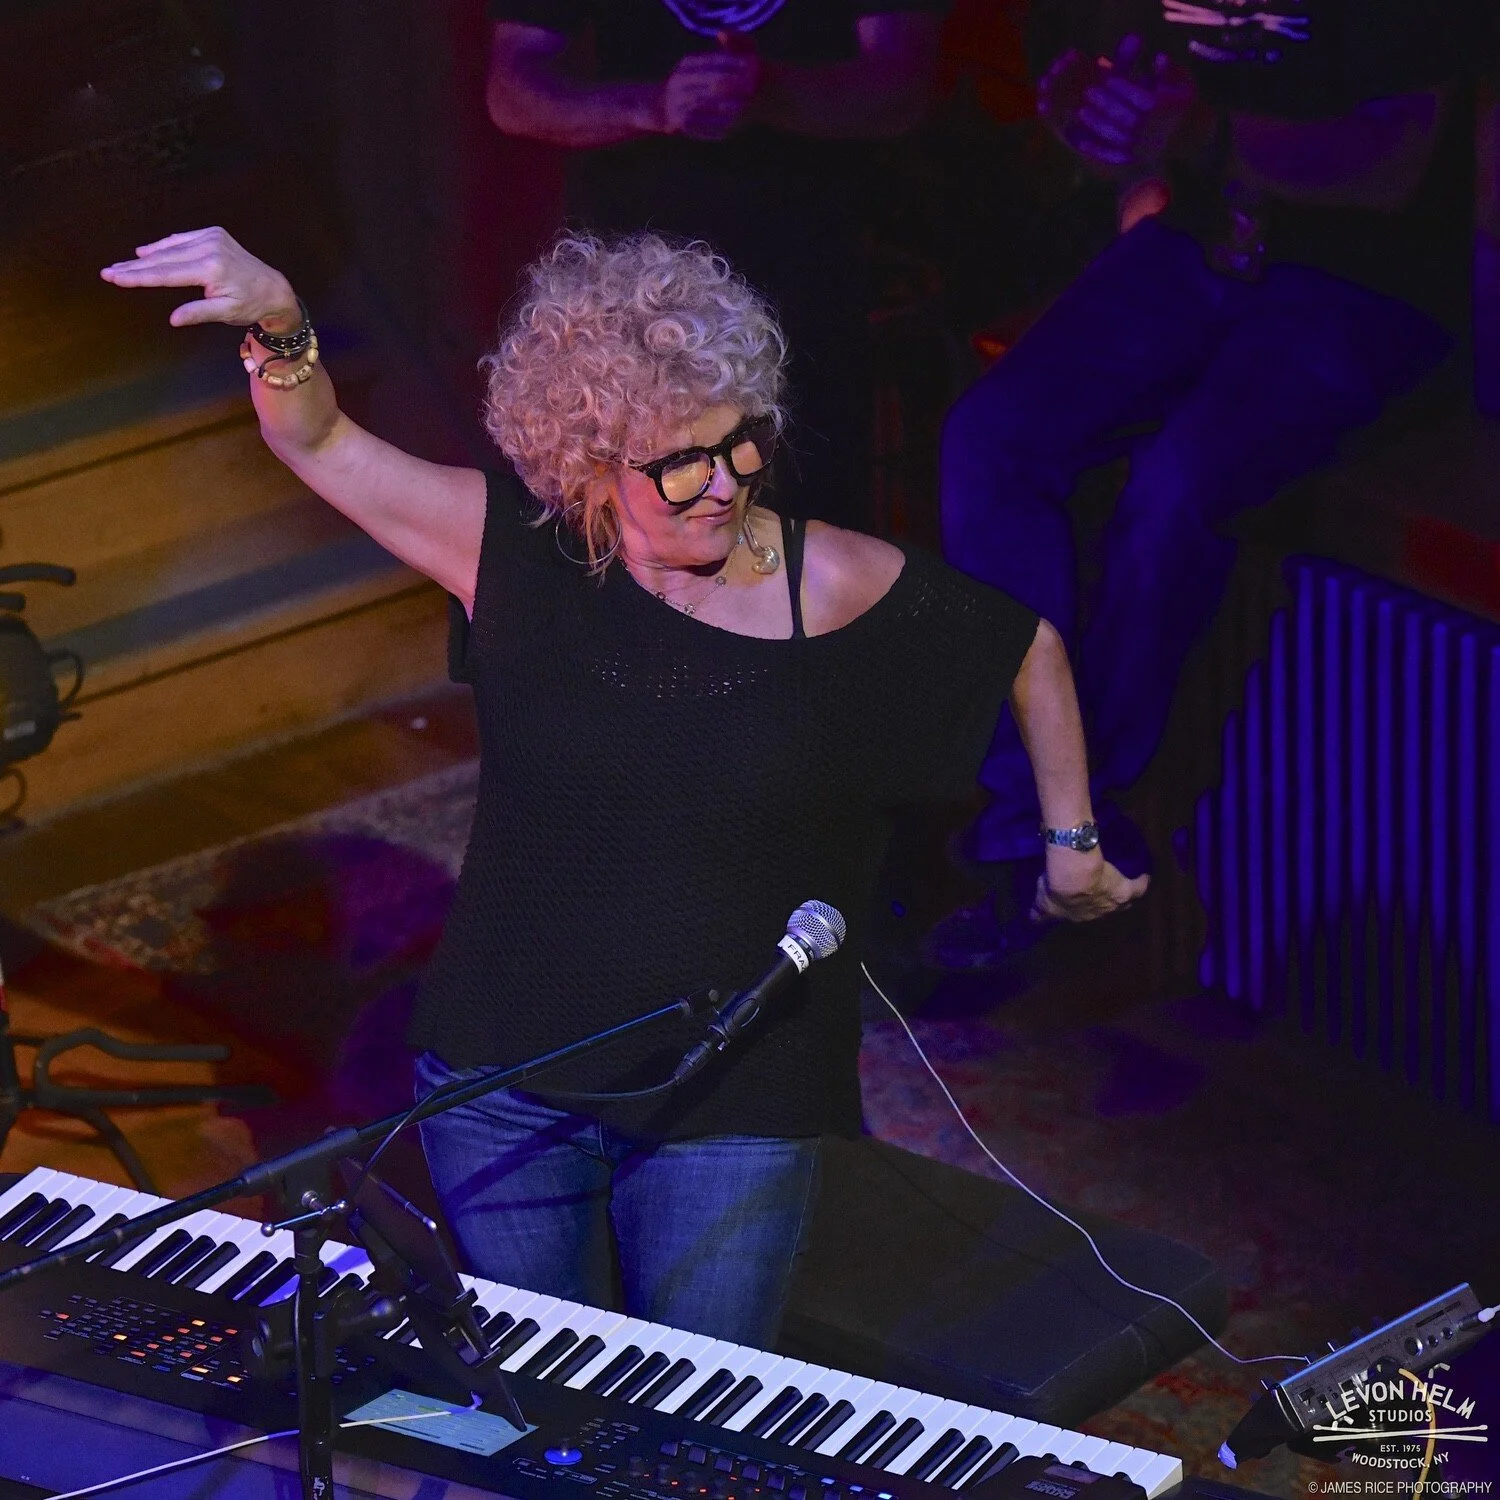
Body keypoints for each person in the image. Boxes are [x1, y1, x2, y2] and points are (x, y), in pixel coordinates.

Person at [101, 226, 1145, 1345]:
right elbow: (316, 438)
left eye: (740, 444)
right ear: (590, 458)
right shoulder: (508, 556)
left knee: (688, 1407)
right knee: (542, 1389)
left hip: (738, 1099)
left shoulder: (830, 580)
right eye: (681, 463)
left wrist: (1071, 847)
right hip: (507, 1082)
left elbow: (1025, 646)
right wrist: (278, 321)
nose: (724, 484)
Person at [931, 0, 1499, 967]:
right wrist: (1101, 117)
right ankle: (1041, 818)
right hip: (1204, 242)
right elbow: (1137, 90)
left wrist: (1195, 135)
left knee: (1178, 487)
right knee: (990, 438)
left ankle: (1074, 826)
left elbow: (1397, 161)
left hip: (1371, 282)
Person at [483, 0, 948, 531]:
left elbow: (902, 85)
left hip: (805, 270)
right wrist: (656, 105)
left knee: (807, 517)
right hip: (633, 278)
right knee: (627, 511)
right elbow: (511, 91)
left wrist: (765, 94)